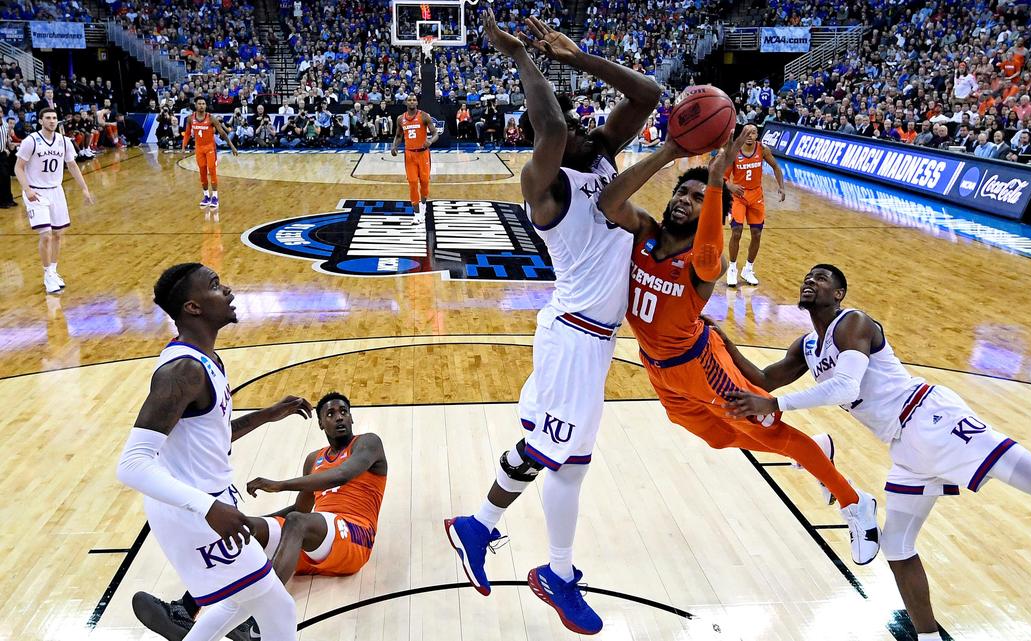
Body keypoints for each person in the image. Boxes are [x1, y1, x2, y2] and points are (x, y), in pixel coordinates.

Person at [717, 264, 1031, 641]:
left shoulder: (853, 323)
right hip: (905, 447)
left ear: (839, 292)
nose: (812, 279)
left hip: (931, 419)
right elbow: (765, 379)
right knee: (896, 547)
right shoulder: (807, 345)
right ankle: (928, 638)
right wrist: (719, 340)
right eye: (808, 275)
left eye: (823, 277)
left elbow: (845, 388)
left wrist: (776, 406)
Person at [443, 11, 660, 636]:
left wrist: (575, 58)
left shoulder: (598, 162)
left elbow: (646, 95)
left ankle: (484, 529)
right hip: (573, 334)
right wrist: (518, 56)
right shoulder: (544, 183)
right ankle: (543, 568)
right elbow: (553, 124)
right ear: (553, 142)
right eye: (574, 126)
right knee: (554, 451)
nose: (590, 128)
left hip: (590, 339)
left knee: (570, 463)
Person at [596, 135, 881, 563]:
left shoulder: (703, 263)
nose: (684, 201)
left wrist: (714, 184)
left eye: (696, 199)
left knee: (766, 429)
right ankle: (816, 449)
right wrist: (667, 155)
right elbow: (607, 202)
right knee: (717, 436)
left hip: (700, 364)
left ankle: (854, 502)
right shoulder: (646, 232)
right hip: (658, 367)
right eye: (681, 193)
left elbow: (711, 243)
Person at [117, 263, 316, 641]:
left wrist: (266, 416)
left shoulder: (207, 360)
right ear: (193, 308)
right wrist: (208, 507)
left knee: (237, 603)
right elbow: (132, 465)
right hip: (193, 512)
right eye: (215, 286)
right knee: (277, 607)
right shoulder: (181, 371)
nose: (228, 291)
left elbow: (209, 440)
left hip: (208, 503)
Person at [131, 392, 387, 641]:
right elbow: (300, 508)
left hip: (355, 536)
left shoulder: (368, 443)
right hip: (318, 540)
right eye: (330, 413)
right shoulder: (314, 459)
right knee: (242, 531)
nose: (339, 417)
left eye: (344, 411)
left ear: (352, 417)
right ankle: (185, 610)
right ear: (320, 423)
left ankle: (256, 621)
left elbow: (341, 475)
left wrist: (279, 485)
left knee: (297, 524)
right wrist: (251, 524)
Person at [13, 107, 95, 294]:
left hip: (56, 190)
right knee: (46, 234)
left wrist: (84, 189)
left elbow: (72, 165)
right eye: (48, 118)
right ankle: (47, 274)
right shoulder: (31, 141)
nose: (52, 121)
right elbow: (18, 168)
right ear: (41, 121)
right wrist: (27, 189)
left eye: (54, 118)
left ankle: (53, 270)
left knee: (58, 234)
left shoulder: (64, 141)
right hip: (36, 192)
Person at [724, 124, 785, 288]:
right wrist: (731, 187)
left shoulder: (763, 149)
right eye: (747, 132)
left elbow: (776, 166)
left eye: (753, 132)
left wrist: (781, 187)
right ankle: (732, 268)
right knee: (736, 232)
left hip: (756, 195)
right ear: (743, 134)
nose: (750, 135)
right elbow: (723, 176)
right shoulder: (735, 151)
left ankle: (748, 269)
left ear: (757, 135)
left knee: (756, 233)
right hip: (738, 196)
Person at [182, 97, 238, 209]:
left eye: (203, 103)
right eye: (199, 103)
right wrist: (183, 146)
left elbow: (223, 133)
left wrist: (232, 146)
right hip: (199, 149)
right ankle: (206, 196)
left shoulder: (211, 118)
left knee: (212, 171)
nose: (201, 105)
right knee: (202, 172)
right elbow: (187, 133)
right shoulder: (190, 118)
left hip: (210, 148)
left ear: (206, 105)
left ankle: (215, 197)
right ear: (195, 105)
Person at [390, 94, 438, 224]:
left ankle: (423, 206)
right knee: (412, 183)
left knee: (424, 182)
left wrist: (430, 141)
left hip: (423, 154)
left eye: (414, 100)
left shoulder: (424, 116)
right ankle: (416, 214)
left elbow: (435, 134)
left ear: (417, 103)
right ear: (406, 102)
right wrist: (394, 146)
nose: (412, 102)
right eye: (409, 100)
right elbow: (398, 135)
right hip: (409, 154)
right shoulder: (400, 119)